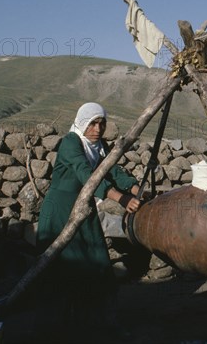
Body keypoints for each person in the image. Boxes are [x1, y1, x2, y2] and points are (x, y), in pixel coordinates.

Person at [33, 102, 143, 342]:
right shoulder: (71, 142)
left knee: (98, 261)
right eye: (93, 122)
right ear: (82, 122)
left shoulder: (100, 146)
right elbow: (87, 175)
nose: (98, 128)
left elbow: (112, 171)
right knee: (61, 267)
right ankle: (59, 327)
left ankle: (104, 322)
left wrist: (135, 188)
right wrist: (121, 198)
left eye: (102, 123)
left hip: (85, 208)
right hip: (61, 209)